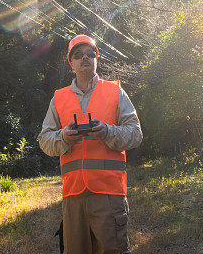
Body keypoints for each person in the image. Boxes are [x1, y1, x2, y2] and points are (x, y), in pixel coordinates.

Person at [38, 34, 142, 254]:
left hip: (109, 194)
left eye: (90, 54)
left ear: (97, 59)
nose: (85, 58)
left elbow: (135, 134)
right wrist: (64, 137)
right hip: (73, 196)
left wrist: (107, 131)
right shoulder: (58, 98)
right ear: (71, 62)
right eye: (78, 55)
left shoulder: (115, 92)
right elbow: (45, 141)